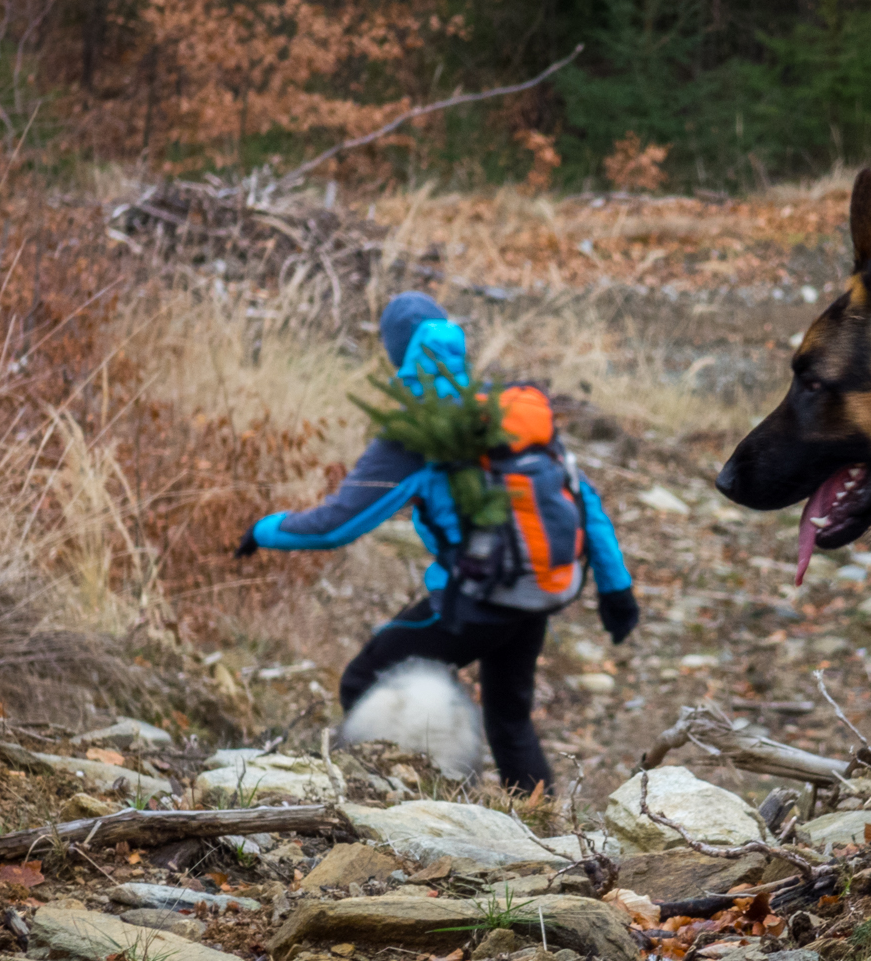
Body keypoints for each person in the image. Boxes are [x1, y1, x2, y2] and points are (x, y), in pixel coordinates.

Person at [235, 292, 639, 792]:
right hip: (539, 595)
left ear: (395, 353)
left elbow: (336, 525)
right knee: (510, 719)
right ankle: (546, 830)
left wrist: (262, 529)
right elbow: (587, 502)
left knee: (363, 681)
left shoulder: (414, 436)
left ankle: (404, 799)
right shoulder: (502, 412)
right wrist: (617, 591)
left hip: (472, 602)